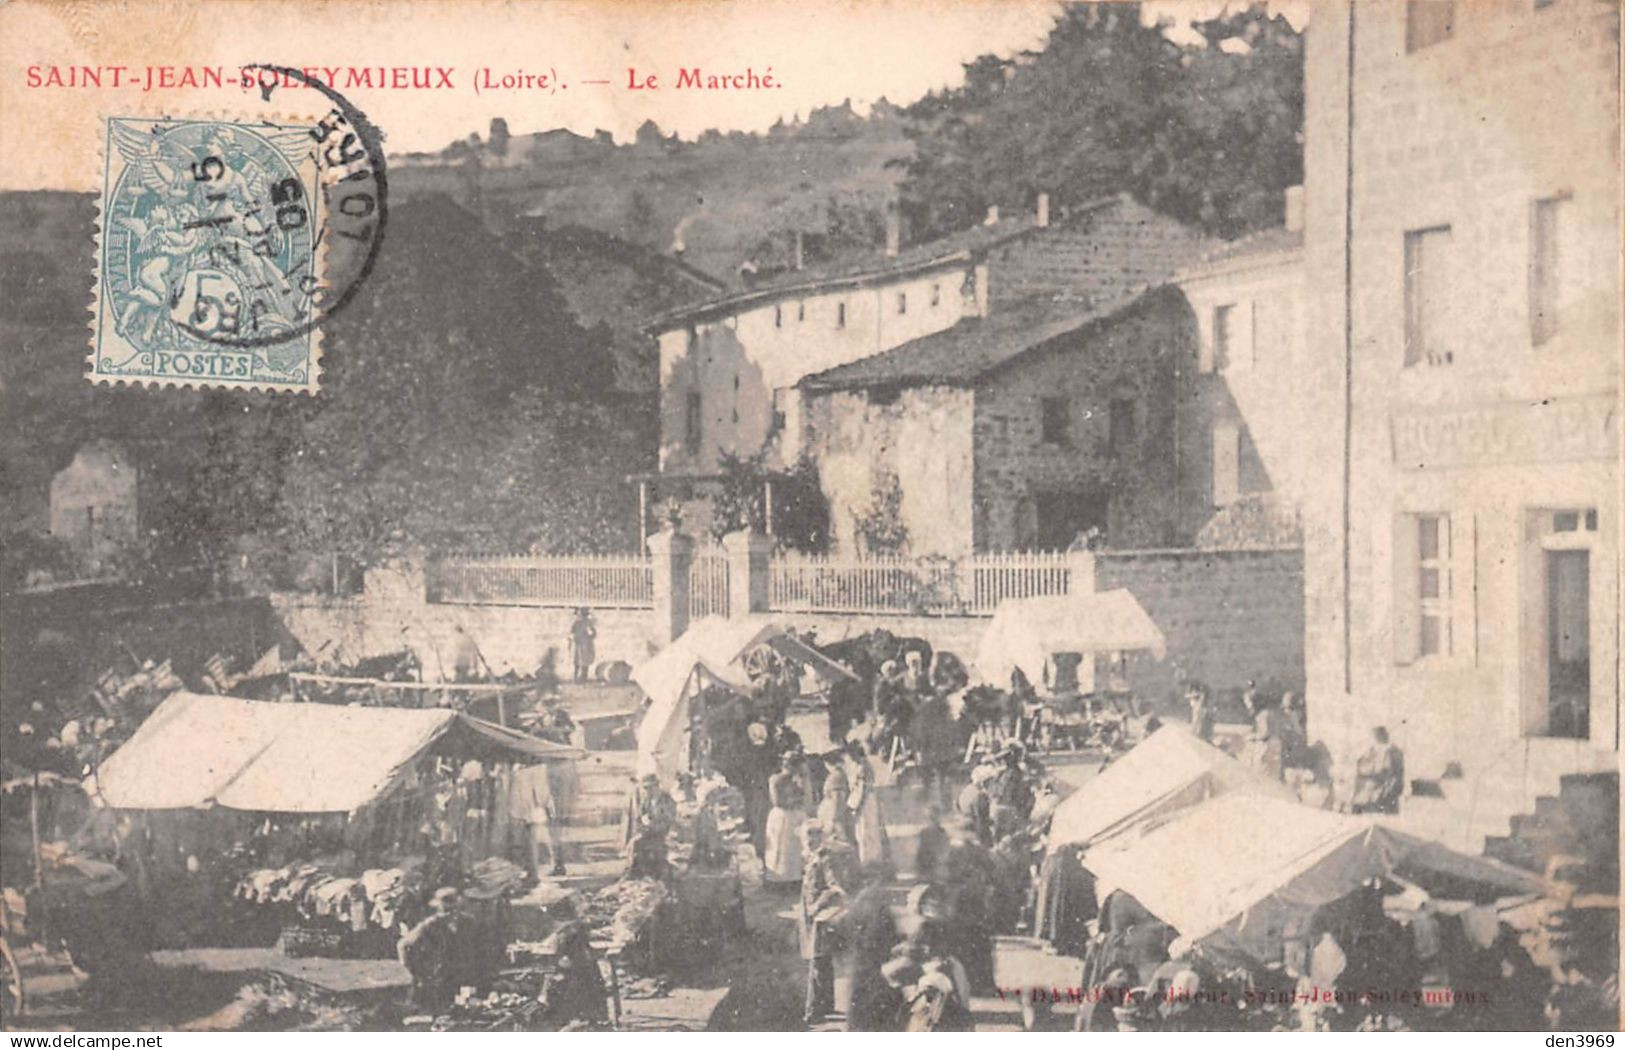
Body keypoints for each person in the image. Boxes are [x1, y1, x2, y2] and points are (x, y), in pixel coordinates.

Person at [799, 823, 849, 1026]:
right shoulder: (811, 857)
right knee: (823, 961)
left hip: (823, 917)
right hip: (813, 917)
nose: (811, 840)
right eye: (808, 836)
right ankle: (827, 1006)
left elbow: (835, 887)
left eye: (815, 836)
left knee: (818, 963)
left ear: (823, 837)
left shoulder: (825, 858)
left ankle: (812, 1013)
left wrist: (817, 906)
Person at [398, 887, 475, 1013]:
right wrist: (411, 969)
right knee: (438, 1013)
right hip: (438, 977)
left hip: (463, 975)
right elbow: (403, 945)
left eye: (452, 907)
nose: (448, 911)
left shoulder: (468, 921)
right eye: (445, 907)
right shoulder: (430, 924)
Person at [538, 903, 609, 1027]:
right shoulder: (575, 928)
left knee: (567, 990)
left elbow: (563, 959)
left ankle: (574, 1019)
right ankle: (593, 1018)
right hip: (585, 968)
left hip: (577, 972)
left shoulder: (565, 932)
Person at [845, 739, 893, 873]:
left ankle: (870, 861)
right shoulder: (862, 765)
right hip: (865, 799)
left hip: (866, 801)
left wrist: (858, 806)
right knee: (866, 830)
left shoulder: (863, 768)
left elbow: (863, 790)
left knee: (867, 830)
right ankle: (870, 859)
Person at [764, 753, 809, 886]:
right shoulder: (776, 779)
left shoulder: (796, 780)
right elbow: (777, 801)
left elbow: (803, 797)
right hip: (781, 815)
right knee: (781, 847)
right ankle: (779, 880)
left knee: (794, 847)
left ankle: (794, 878)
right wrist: (794, 800)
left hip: (794, 814)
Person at [912, 686, 960, 809]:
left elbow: (920, 733)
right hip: (942, 751)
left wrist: (919, 748)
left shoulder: (925, 711)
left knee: (928, 777)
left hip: (931, 751)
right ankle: (945, 803)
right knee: (943, 777)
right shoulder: (945, 713)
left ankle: (927, 799)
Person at [625, 774, 677, 878]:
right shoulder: (647, 800)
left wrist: (652, 825)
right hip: (648, 832)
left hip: (662, 835)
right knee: (634, 843)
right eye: (645, 788)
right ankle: (633, 872)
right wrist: (644, 823)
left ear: (657, 786)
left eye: (649, 788)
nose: (647, 791)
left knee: (640, 844)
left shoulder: (667, 801)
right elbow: (639, 817)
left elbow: (668, 822)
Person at [1351, 726, 1405, 814]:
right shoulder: (1370, 752)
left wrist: (1383, 794)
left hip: (1381, 799)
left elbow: (1394, 778)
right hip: (1369, 797)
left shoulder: (1392, 752)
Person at [817, 763, 856, 848]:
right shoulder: (839, 775)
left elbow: (828, 791)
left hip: (836, 801)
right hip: (836, 802)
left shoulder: (835, 776)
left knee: (837, 823)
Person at [913, 805, 949, 885]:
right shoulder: (924, 833)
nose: (932, 821)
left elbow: (944, 852)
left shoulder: (942, 833)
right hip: (928, 870)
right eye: (930, 818)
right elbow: (920, 854)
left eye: (934, 818)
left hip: (938, 871)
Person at [569, 608, 596, 683]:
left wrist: (590, 633)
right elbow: (571, 633)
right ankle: (575, 678)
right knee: (576, 661)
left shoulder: (588, 623)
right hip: (578, 644)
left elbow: (593, 634)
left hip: (586, 644)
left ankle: (583, 678)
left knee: (585, 661)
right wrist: (572, 637)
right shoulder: (576, 623)